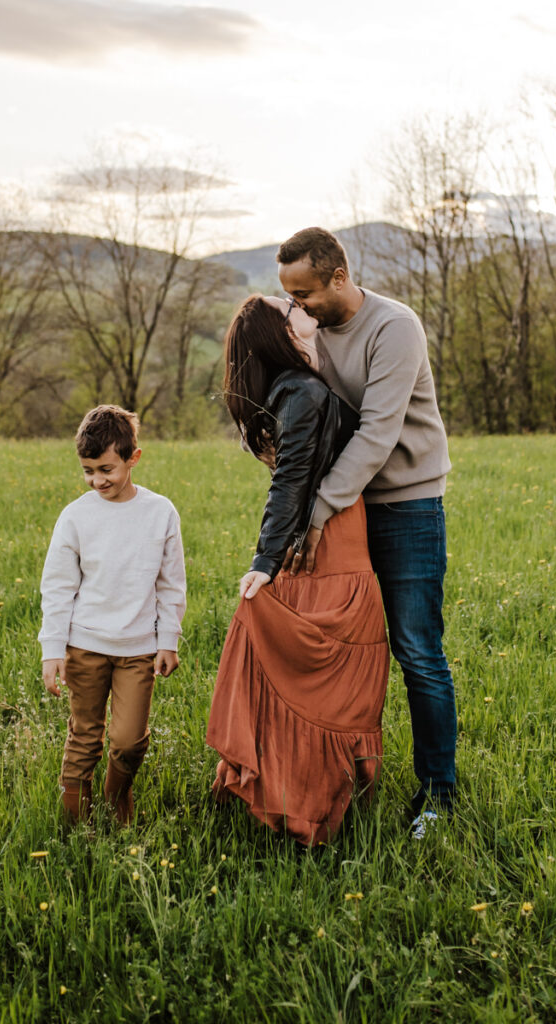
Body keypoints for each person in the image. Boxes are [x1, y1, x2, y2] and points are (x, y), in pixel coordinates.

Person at [276, 227, 456, 837]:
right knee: (344, 648)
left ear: (338, 277)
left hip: (406, 504)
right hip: (348, 509)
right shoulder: (312, 332)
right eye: (288, 295)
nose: (297, 305)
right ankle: (336, 778)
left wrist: (317, 511)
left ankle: (438, 794)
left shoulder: (393, 327)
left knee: (417, 652)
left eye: (305, 292)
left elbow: (378, 432)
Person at [206, 295, 389, 846]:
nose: (302, 307)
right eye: (290, 307)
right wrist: (264, 561)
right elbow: (289, 479)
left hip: (330, 527)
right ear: (282, 333)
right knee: (326, 664)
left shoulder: (295, 385)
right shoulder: (303, 390)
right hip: (329, 535)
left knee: (326, 661)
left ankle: (303, 784)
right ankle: (302, 798)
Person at [38, 405, 186, 826]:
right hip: (84, 645)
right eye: (88, 470)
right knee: (84, 735)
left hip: (138, 648)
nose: (97, 480)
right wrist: (53, 649)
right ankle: (74, 825)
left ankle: (116, 797)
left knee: (128, 741)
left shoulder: (160, 513)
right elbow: (58, 586)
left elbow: (170, 583)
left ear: (132, 458)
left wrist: (167, 639)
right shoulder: (76, 516)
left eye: (106, 468)